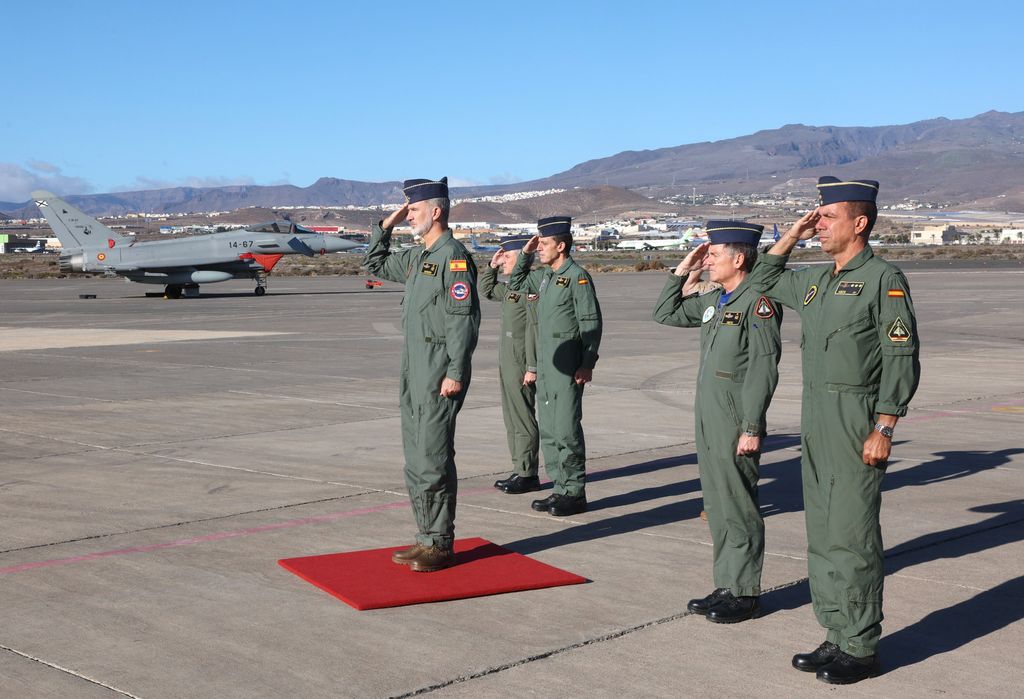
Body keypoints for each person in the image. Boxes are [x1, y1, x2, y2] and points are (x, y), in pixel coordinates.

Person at [749, 177, 921, 684]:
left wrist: (885, 424)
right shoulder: (818, 280)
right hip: (815, 418)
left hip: (856, 417)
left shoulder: (883, 279)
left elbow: (901, 356)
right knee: (821, 533)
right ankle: (836, 632)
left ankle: (862, 646)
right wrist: (791, 234)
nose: (818, 225)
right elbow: (759, 280)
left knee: (852, 535)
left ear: (860, 223)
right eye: (816, 218)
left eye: (827, 218)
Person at [652, 221, 783, 624]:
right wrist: (682, 270)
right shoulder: (718, 300)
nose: (707, 259)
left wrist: (752, 427)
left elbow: (763, 368)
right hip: (708, 415)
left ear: (739, 258)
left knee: (738, 504)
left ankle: (745, 592)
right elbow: (664, 313)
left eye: (713, 253)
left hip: (733, 417)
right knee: (718, 503)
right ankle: (727, 583)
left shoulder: (757, 302)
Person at [363, 176, 481, 572]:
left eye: (413, 209)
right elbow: (374, 263)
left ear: (436, 211)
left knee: (432, 457)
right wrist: (386, 227)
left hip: (437, 372)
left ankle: (441, 544)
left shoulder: (454, 258)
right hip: (413, 369)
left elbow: (462, 321)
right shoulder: (419, 258)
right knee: (415, 458)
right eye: (406, 210)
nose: (409, 215)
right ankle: (427, 537)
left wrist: (456, 371)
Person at [508, 216, 602, 516]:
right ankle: (559, 487)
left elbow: (591, 323)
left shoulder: (578, 277)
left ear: (561, 246)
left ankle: (574, 492)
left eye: (544, 244)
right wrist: (524, 253)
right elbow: (516, 281)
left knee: (566, 430)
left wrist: (587, 363)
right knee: (549, 430)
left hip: (568, 367)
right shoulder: (546, 277)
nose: (539, 249)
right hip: (547, 366)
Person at [481, 237, 542, 495]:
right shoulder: (512, 287)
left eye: (506, 255)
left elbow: (534, 329)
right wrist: (491, 266)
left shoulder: (532, 285)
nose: (502, 258)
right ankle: (519, 467)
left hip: (521, 359)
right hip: (508, 358)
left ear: (520, 257)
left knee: (523, 417)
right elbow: (486, 290)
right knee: (511, 417)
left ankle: (528, 473)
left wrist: (532, 366)